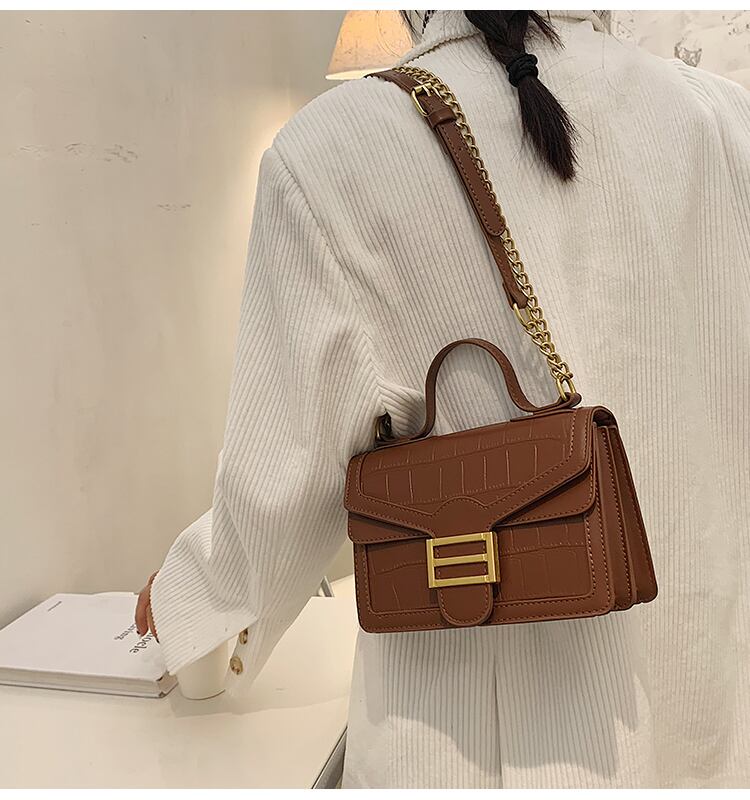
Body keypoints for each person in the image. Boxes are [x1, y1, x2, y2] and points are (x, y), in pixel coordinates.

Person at [135, 10, 750, 788]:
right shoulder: (723, 119)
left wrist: (187, 604)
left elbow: (278, 489)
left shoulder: (333, 149)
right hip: (714, 712)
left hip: (488, 746)